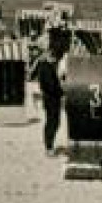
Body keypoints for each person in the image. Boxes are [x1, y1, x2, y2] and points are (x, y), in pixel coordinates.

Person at [34, 25, 71, 157]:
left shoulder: (47, 60)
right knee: (52, 122)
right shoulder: (46, 62)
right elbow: (48, 84)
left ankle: (49, 146)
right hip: (50, 97)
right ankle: (48, 147)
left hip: (51, 96)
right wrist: (62, 91)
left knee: (54, 122)